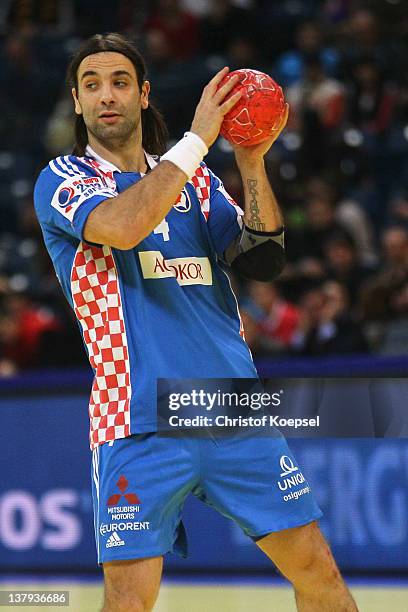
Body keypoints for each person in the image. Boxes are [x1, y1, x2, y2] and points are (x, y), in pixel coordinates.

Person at [34, 33, 357, 612]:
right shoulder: (63, 179)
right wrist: (199, 139)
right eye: (91, 85)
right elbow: (125, 225)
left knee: (322, 581)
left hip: (231, 407)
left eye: (120, 82)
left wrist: (253, 163)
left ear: (143, 95)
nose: (106, 95)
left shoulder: (198, 182)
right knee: (129, 602)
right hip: (136, 416)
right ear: (78, 104)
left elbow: (263, 258)